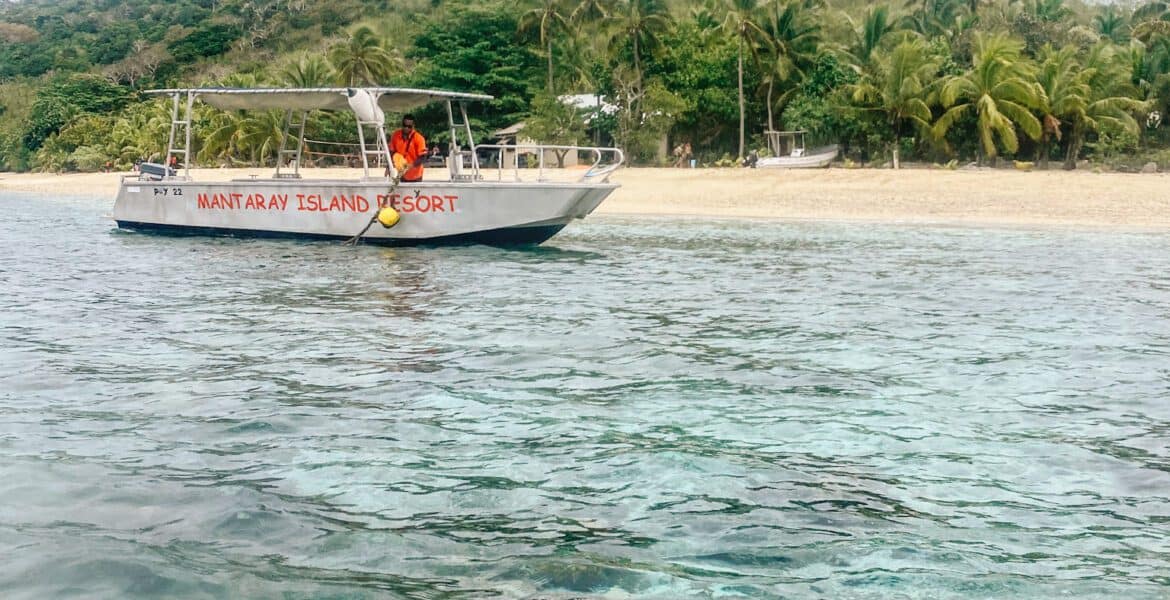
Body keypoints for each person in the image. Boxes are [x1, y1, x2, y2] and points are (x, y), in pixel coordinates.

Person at [389, 114, 429, 182]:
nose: (406, 128)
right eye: (404, 125)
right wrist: (388, 167)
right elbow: (391, 152)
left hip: (416, 176)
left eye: (409, 126)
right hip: (401, 175)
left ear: (413, 126)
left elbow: (423, 157)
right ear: (402, 124)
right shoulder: (395, 135)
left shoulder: (419, 138)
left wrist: (410, 166)